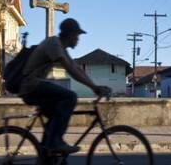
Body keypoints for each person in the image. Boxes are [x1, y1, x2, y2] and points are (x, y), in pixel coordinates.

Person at [18, 18, 111, 154]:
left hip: (33, 87)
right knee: (70, 97)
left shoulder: (61, 47)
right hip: (30, 86)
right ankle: (55, 143)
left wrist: (95, 86)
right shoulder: (54, 44)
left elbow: (77, 68)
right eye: (77, 36)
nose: (78, 40)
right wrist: (94, 88)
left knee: (57, 116)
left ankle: (46, 155)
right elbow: (70, 70)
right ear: (70, 34)